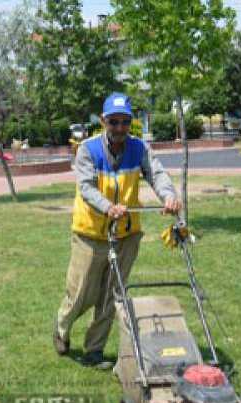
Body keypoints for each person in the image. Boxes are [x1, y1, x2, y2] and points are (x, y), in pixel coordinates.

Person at [53, 93, 182, 367]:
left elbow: (157, 174)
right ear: (103, 121)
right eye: (114, 122)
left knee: (113, 295)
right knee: (81, 294)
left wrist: (168, 196)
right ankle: (62, 327)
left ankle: (94, 350)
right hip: (90, 234)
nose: (120, 128)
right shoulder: (88, 150)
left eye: (125, 122)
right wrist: (107, 207)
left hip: (126, 235)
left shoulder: (140, 149)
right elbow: (86, 187)